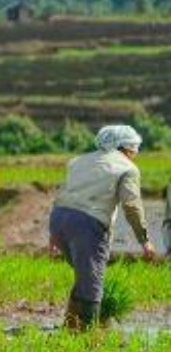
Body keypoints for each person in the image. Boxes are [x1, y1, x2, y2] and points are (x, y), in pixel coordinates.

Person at [48, 124, 156, 330]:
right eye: (135, 149)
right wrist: (145, 240)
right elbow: (131, 205)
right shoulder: (127, 168)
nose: (136, 154)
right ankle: (89, 337)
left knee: (85, 274)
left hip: (59, 218)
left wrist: (53, 235)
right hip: (86, 224)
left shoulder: (78, 161)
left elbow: (63, 193)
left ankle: (71, 326)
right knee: (92, 281)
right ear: (127, 148)